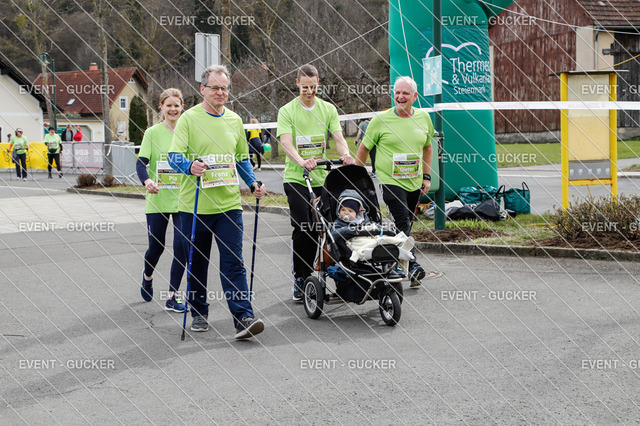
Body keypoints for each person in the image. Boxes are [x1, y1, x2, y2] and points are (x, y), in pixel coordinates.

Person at [168, 65, 266, 339]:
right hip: (195, 206)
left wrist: (253, 183)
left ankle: (243, 317)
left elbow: (241, 159)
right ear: (203, 89)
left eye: (224, 88)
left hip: (229, 206)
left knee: (234, 262)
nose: (221, 92)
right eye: (215, 88)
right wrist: (190, 166)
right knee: (198, 263)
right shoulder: (189, 119)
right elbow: (174, 157)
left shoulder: (234, 120)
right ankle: (199, 312)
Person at [277, 63, 355, 302]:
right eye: (305, 87)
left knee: (336, 227)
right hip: (297, 179)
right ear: (297, 84)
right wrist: (302, 161)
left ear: (318, 83)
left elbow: (338, 138)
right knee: (306, 228)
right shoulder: (287, 111)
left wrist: (346, 154)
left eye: (313, 86)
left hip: (323, 178)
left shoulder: (327, 109)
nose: (309, 91)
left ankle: (341, 275)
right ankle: (301, 278)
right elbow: (286, 142)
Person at [356, 76, 433, 287]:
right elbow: (364, 149)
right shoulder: (380, 120)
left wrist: (426, 177)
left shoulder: (424, 118)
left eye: (405, 93)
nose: (400, 96)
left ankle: (394, 259)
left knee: (405, 225)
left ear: (415, 97)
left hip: (414, 181)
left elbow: (427, 147)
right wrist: (355, 177)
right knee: (402, 222)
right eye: (397, 92)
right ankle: (413, 265)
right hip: (390, 181)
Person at [136, 88, 187, 313]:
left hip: (183, 199)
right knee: (156, 247)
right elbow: (141, 163)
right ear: (161, 107)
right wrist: (147, 181)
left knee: (181, 247)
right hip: (157, 198)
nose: (173, 109)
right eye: (169, 105)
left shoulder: (188, 131)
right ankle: (147, 276)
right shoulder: (153, 133)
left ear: (182, 106)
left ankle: (172, 297)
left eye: (176, 105)